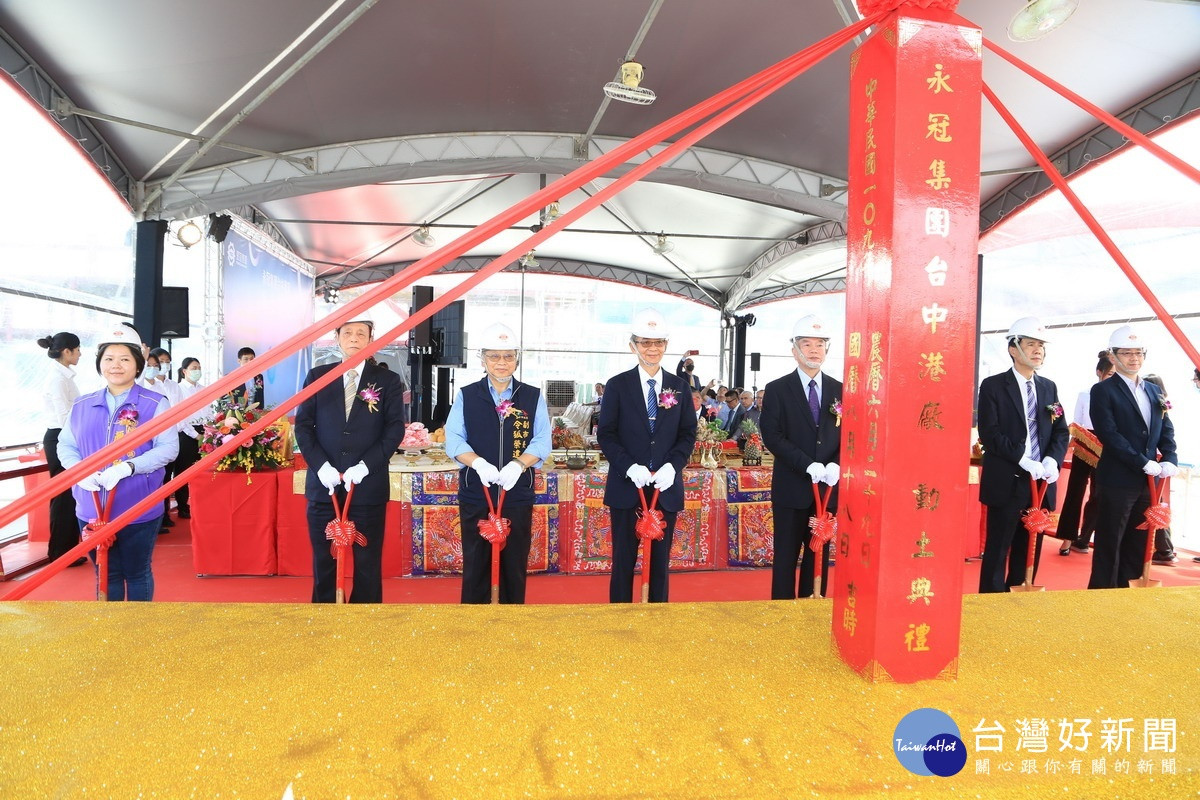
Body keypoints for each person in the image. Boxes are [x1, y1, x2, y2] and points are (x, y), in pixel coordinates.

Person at [57, 325, 178, 600]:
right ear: (99, 363)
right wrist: (78, 471)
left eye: (125, 359)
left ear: (137, 364)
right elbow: (66, 445)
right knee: (105, 573)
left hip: (138, 505)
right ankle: (110, 627)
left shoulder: (155, 403)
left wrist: (129, 467)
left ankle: (136, 626)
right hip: (90, 506)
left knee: (136, 572)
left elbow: (169, 448)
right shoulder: (82, 404)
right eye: (109, 358)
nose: (116, 365)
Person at [295, 316, 406, 603]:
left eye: (361, 333)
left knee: (367, 561)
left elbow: (394, 429)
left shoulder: (387, 380)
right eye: (347, 333)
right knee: (324, 559)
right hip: (325, 485)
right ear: (337, 338)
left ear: (371, 339)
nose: (354, 338)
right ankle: (324, 615)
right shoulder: (318, 376)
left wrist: (365, 466)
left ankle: (364, 618)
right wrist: (321, 467)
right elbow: (303, 426)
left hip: (367, 485)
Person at [444, 323, 551, 604]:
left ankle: (511, 621)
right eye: (494, 356)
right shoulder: (467, 395)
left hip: (517, 492)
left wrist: (519, 465)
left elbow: (542, 440)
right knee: (476, 564)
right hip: (476, 491)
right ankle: (474, 622)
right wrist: (478, 464)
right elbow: (454, 440)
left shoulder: (532, 396)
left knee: (514, 564)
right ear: (483, 359)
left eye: (508, 356)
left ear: (517, 359)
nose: (501, 362)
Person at [597, 308, 698, 603]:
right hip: (627, 485)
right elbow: (607, 434)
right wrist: (630, 467)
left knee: (659, 564)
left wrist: (672, 467)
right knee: (623, 561)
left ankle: (658, 620)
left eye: (658, 343)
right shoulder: (618, 385)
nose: (652, 349)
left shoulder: (679, 387)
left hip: (665, 486)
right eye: (645, 342)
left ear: (666, 345)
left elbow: (687, 434)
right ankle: (619, 617)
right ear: (633, 346)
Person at [976, 318, 1069, 593]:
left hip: (1039, 483)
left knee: (1030, 547)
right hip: (1008, 478)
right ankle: (991, 603)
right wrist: (1023, 459)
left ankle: (1020, 596)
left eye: (1041, 345)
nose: (1038, 350)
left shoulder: (1048, 387)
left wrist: (1051, 459)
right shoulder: (993, 386)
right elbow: (990, 433)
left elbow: (1060, 430)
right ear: (1013, 349)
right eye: (1030, 344)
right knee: (998, 548)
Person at [1087, 326, 1179, 589]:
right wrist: (1141, 461)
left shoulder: (1154, 390)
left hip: (1148, 484)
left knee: (1139, 543)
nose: (1134, 358)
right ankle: (1102, 596)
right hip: (1117, 479)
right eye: (1126, 353)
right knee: (1110, 542)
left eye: (1138, 352)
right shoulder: (1103, 390)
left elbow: (1166, 428)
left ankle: (1128, 595)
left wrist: (1170, 457)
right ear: (1113, 357)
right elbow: (1109, 433)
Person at [760, 315, 842, 599]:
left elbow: (852, 434)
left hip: (827, 488)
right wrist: (807, 464)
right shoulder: (777, 389)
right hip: (791, 486)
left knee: (818, 553)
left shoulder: (840, 389)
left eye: (820, 344)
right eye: (806, 344)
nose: (814, 350)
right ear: (794, 350)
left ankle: (813, 606)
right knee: (785, 555)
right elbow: (772, 436)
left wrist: (837, 464)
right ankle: (782, 611)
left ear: (827, 350)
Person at [1056, 351, 1114, 555]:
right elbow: (1077, 421)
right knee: (1075, 491)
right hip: (1085, 442)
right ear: (1099, 372)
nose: (1113, 378)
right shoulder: (1085, 394)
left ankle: (1086, 538)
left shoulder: (1120, 396)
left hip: (1109, 446)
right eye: (1109, 374)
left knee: (1101, 493)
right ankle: (1067, 538)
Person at [37, 331, 86, 566]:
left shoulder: (64, 376)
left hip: (66, 436)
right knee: (63, 495)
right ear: (67, 351)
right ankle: (60, 552)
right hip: (60, 437)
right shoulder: (57, 379)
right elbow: (64, 416)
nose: (80, 354)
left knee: (70, 495)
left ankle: (68, 549)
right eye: (77, 350)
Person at [1142, 374, 1177, 565]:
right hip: (1150, 463)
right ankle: (1165, 549)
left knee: (1154, 506)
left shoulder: (1160, 408)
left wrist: (1169, 460)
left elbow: (1167, 436)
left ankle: (1164, 550)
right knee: (1156, 505)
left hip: (1153, 464)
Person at [171, 357, 208, 520]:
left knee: (203, 471)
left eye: (199, 368)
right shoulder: (178, 389)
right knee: (183, 471)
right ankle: (182, 506)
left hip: (204, 432)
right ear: (184, 371)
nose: (197, 371)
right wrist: (195, 435)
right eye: (194, 368)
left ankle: (201, 504)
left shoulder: (203, 389)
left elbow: (208, 412)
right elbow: (181, 417)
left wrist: (208, 432)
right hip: (186, 433)